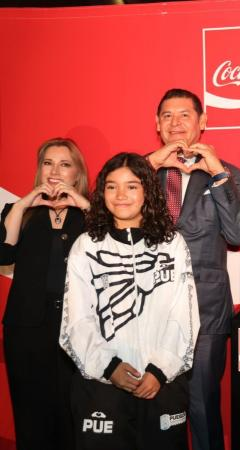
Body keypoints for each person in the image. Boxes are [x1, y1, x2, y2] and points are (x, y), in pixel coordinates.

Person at [60, 152, 200, 450]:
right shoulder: (86, 246)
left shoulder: (172, 244)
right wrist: (109, 367)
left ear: (147, 192)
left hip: (161, 384)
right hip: (101, 386)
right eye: (111, 186)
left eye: (131, 186)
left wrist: (159, 370)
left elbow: (183, 314)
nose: (121, 195)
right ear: (102, 193)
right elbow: (77, 320)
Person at [146, 88, 240, 450]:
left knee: (202, 408)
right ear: (157, 124)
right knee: (152, 410)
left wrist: (218, 174)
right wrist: (150, 164)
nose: (175, 123)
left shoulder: (228, 174)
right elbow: (105, 208)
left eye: (185, 115)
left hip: (205, 313)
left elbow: (239, 234)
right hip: (147, 311)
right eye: (167, 116)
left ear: (202, 122)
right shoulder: (141, 174)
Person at [0, 137, 89, 450]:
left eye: (65, 164)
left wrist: (82, 202)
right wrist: (23, 203)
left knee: (72, 413)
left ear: (77, 174)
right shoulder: (20, 211)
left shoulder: (89, 213)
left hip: (76, 329)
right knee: (30, 414)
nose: (55, 171)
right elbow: (3, 256)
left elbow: (112, 244)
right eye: (48, 163)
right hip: (25, 329)